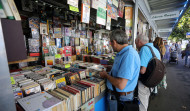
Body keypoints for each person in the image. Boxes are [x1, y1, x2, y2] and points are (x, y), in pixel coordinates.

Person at [99, 29, 140, 111]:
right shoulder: (123, 53)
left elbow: (121, 85)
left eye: (110, 43)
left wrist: (106, 75)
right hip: (119, 97)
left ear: (114, 42)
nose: (110, 45)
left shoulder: (128, 55)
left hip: (120, 99)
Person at [135, 35, 161, 111]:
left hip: (145, 82)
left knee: (142, 105)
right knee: (145, 101)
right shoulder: (155, 49)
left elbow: (142, 71)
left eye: (136, 43)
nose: (136, 45)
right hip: (153, 80)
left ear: (139, 41)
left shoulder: (144, 49)